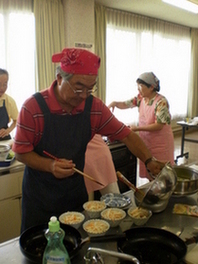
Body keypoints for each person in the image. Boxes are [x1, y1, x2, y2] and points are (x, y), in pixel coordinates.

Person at [12, 49, 165, 232]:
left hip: (75, 195)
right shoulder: (33, 108)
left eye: (90, 88)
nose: (84, 95)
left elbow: (127, 135)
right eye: (78, 87)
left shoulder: (94, 108)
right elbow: (20, 152)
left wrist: (149, 160)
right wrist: (50, 166)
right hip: (40, 198)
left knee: (76, 245)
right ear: (60, 78)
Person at [108, 72, 174, 181]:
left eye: (141, 86)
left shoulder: (161, 102)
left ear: (151, 87)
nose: (138, 89)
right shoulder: (140, 98)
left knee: (161, 173)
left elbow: (159, 125)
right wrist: (114, 103)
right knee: (149, 169)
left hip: (161, 144)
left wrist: (137, 128)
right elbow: (125, 104)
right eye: (138, 86)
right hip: (147, 142)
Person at [0, 69, 18, 141]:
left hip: (4, 140)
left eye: (5, 84)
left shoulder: (9, 101)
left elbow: (16, 120)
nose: (2, 88)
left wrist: (7, 131)